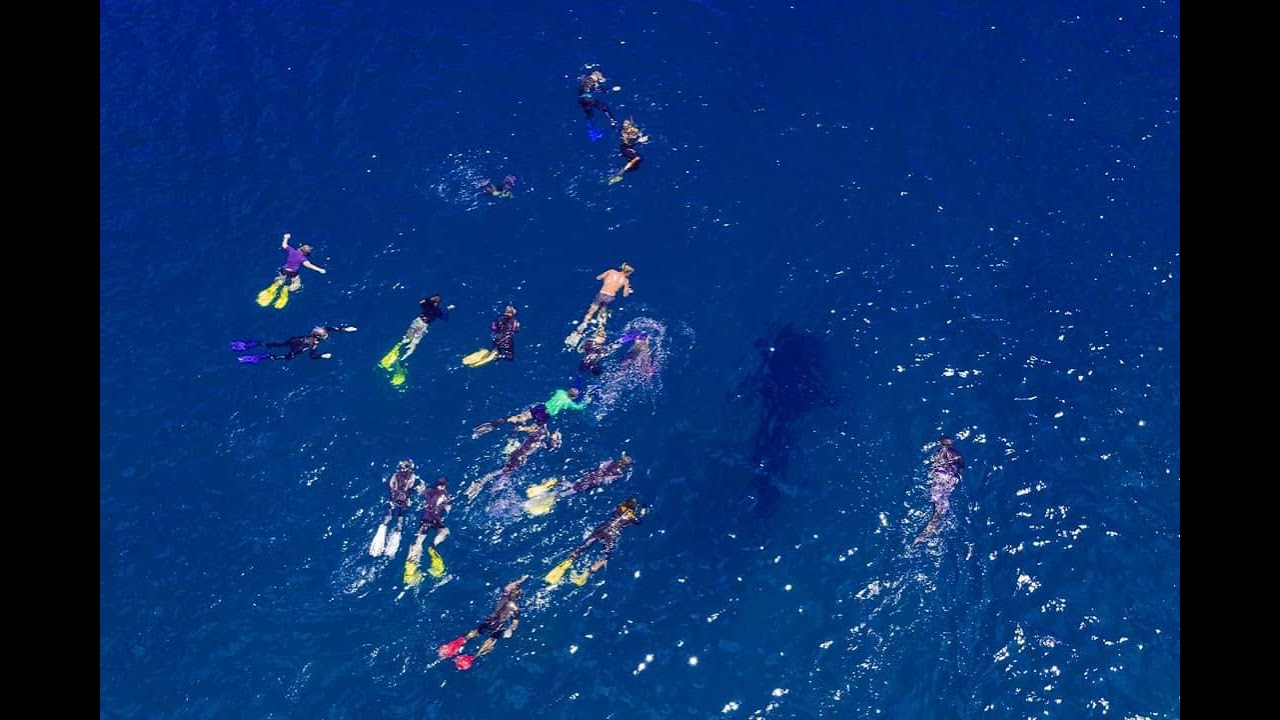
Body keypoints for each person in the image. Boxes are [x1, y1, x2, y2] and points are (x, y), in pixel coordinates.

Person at [437, 575, 530, 670]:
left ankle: (460, 641)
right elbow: (515, 623)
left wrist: (520, 580)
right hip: (500, 625)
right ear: (519, 595)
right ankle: (474, 656)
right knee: (491, 640)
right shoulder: (516, 609)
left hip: (491, 619)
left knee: (477, 630)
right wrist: (510, 629)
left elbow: (508, 587)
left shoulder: (505, 595)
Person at [545, 499, 646, 585]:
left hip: (601, 530)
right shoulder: (631, 516)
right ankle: (587, 573)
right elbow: (639, 522)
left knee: (583, 547)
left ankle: (569, 560)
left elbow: (617, 508)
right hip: (611, 535)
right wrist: (643, 511)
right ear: (633, 509)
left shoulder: (619, 508)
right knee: (604, 557)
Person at [466, 427, 563, 499]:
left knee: (504, 471)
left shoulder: (534, 437)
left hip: (516, 454)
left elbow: (519, 430)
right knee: (504, 472)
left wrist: (516, 432)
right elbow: (549, 446)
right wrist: (555, 439)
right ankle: (488, 485)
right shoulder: (539, 441)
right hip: (519, 458)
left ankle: (487, 484)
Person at [565, 264, 634, 348]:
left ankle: (582, 328)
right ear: (629, 273)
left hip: (601, 294)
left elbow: (598, 278)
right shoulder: (625, 280)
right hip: (610, 297)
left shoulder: (611, 271)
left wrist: (606, 281)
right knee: (602, 314)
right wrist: (629, 290)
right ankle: (600, 332)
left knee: (590, 313)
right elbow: (624, 295)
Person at [913, 437, 965, 545]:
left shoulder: (937, 453)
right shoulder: (957, 455)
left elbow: (933, 467)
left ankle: (929, 530)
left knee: (937, 505)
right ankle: (929, 531)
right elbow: (961, 469)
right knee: (941, 507)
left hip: (939, 478)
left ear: (941, 444)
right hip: (949, 478)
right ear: (951, 444)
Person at [405, 476, 451, 581]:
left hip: (425, 520)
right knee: (444, 531)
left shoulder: (429, 490)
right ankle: (433, 546)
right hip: (436, 520)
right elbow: (448, 509)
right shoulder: (446, 495)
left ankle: (410, 568)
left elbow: (421, 492)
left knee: (418, 544)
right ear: (445, 485)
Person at [369, 460, 419, 557]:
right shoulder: (410, 476)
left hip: (396, 499)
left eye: (403, 467)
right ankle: (392, 539)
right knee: (396, 519)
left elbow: (391, 485)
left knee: (392, 518)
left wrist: (394, 496)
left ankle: (386, 532)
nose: (402, 469)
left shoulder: (397, 475)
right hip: (401, 500)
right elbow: (408, 487)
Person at [232, 325, 358, 363]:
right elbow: (312, 357)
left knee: (277, 345)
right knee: (288, 357)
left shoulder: (316, 335)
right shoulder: (314, 345)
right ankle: (264, 357)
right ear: (320, 336)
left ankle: (251, 344)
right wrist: (323, 356)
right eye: (325, 335)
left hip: (296, 339)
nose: (327, 334)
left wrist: (345, 330)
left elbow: (330, 328)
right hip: (300, 347)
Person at [399, 295, 450, 361]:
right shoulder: (434, 309)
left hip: (420, 322)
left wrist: (446, 309)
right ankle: (403, 355)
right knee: (411, 341)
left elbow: (422, 302)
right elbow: (445, 318)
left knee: (411, 340)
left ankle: (403, 354)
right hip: (421, 324)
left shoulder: (433, 308)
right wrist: (447, 309)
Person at [609, 119, 649, 183]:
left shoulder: (635, 130)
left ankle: (618, 173)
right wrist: (638, 141)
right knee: (637, 158)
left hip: (630, 148)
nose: (625, 126)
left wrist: (643, 138)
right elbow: (627, 142)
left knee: (636, 165)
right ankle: (621, 173)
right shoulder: (624, 133)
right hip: (624, 149)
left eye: (627, 125)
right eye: (624, 125)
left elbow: (641, 135)